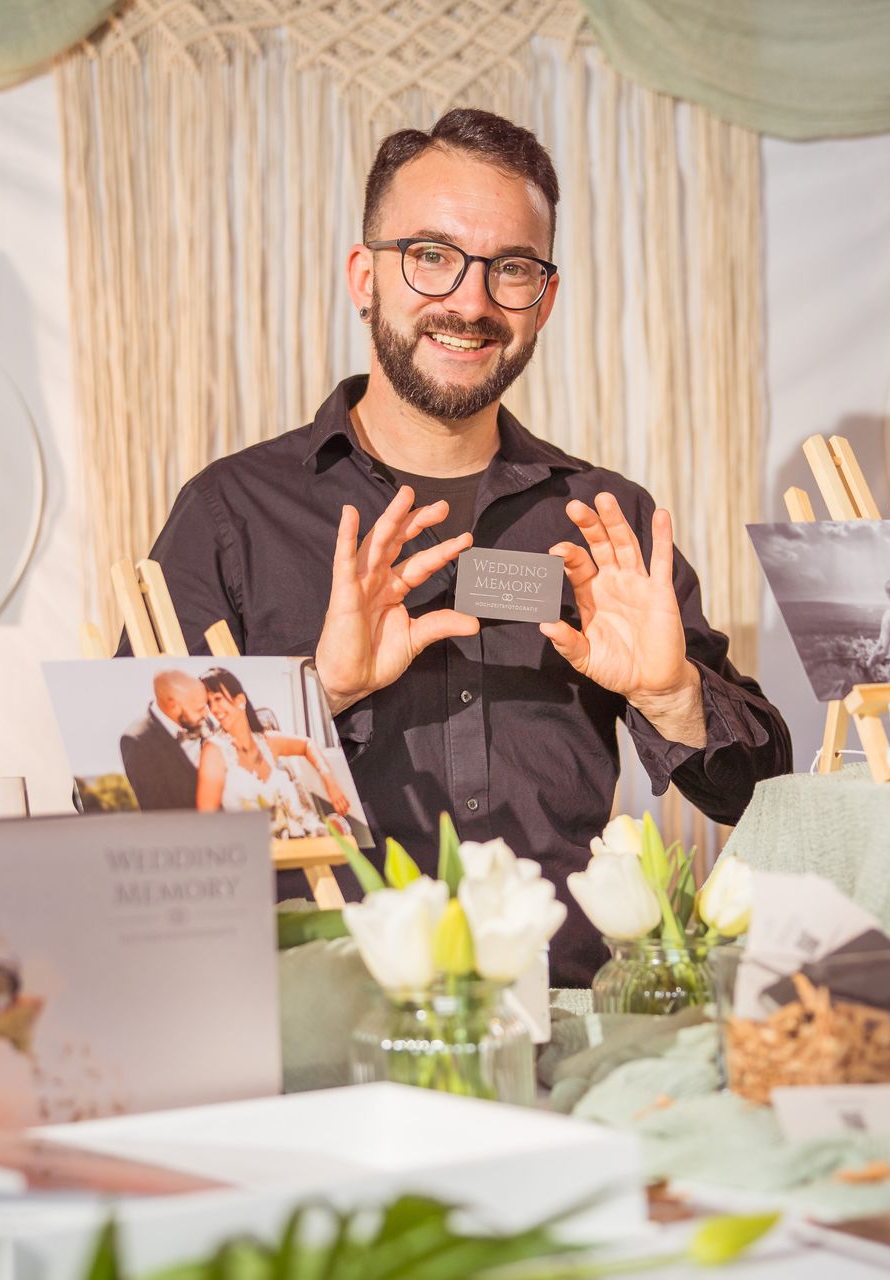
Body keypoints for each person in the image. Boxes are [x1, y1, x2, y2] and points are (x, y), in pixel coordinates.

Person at [126, 109, 790, 986]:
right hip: (320, 1028)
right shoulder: (232, 513)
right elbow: (131, 808)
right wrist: (316, 696)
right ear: (364, 277)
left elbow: (758, 797)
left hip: (563, 1030)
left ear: (543, 300)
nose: (470, 302)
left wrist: (672, 698)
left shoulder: (603, 518)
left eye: (511, 269)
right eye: (431, 256)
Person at [196, 666, 350, 838]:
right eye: (209, 703)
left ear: (240, 699)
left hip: (300, 841)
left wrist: (330, 782)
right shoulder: (214, 751)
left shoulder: (268, 741)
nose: (214, 709)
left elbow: (307, 744)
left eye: (218, 698)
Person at [119, 669, 217, 811]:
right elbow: (158, 810)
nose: (207, 713)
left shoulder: (203, 720)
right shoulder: (137, 741)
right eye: (200, 709)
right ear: (174, 706)